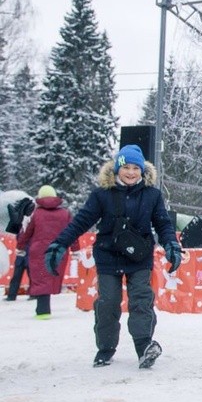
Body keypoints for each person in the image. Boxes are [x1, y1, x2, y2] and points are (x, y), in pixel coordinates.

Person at [45, 144, 181, 368]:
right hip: (108, 256)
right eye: (126, 167)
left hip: (139, 257)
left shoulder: (152, 195)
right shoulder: (102, 195)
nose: (130, 172)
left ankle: (144, 346)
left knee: (141, 300)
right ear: (117, 169)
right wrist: (60, 244)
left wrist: (171, 245)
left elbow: (163, 224)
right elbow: (81, 221)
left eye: (135, 168)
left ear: (142, 171)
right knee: (107, 302)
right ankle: (105, 348)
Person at [17, 186, 75, 318]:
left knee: (41, 278)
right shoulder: (65, 213)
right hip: (58, 250)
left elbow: (27, 233)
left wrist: (20, 247)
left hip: (39, 251)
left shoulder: (36, 214)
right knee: (50, 277)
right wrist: (75, 249)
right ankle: (43, 310)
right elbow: (72, 231)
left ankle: (42, 311)